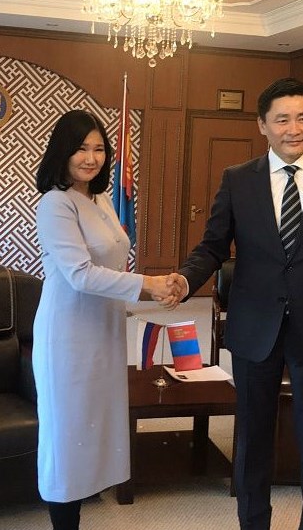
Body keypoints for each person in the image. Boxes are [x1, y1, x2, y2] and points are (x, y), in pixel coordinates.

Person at [168, 78, 303, 530]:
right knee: (252, 437)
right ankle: (253, 522)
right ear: (262, 125)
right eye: (282, 120)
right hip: (255, 327)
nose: (293, 129)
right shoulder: (238, 180)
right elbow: (213, 246)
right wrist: (184, 279)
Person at [32, 109, 175, 530]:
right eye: (81, 148)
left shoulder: (103, 200)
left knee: (96, 427)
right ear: (62, 152)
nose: (91, 158)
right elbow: (79, 274)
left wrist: (153, 291)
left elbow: (113, 262)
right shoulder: (55, 203)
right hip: (68, 335)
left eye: (99, 149)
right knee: (67, 434)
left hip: (106, 330)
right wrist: (148, 284)